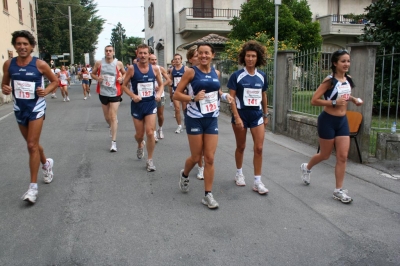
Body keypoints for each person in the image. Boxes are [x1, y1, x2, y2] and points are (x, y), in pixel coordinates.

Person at [1, 30, 58, 203]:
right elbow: (4, 83)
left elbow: (55, 81)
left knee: (32, 144)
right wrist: (5, 89)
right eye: (19, 44)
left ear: (32, 46)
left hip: (36, 107)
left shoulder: (40, 64)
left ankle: (32, 188)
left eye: (25, 44)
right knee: (32, 144)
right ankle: (46, 163)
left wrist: (46, 90)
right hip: (19, 108)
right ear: (15, 46)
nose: (22, 47)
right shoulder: (9, 64)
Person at [173, 43, 231, 209]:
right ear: (197, 55)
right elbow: (177, 94)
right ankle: (184, 174)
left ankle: (208, 195)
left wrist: (225, 96)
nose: (203, 56)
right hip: (195, 118)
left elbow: (215, 91)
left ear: (212, 55)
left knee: (210, 158)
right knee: (197, 157)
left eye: (207, 53)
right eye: (200, 53)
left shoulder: (216, 72)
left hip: (211, 118)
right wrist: (192, 99)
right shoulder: (191, 72)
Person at [300, 49, 363, 203]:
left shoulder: (348, 79)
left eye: (348, 61)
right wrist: (333, 102)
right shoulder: (329, 80)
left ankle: (338, 190)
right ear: (335, 63)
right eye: (343, 61)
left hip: (342, 122)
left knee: (342, 156)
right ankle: (307, 167)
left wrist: (353, 100)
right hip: (327, 120)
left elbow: (344, 96)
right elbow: (314, 100)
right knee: (325, 155)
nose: (346, 64)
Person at [228, 40, 269, 195]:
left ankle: (257, 181)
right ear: (243, 58)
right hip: (241, 115)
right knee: (241, 146)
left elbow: (263, 96)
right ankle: (239, 173)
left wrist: (265, 114)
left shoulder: (262, 76)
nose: (250, 59)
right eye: (248, 56)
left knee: (259, 148)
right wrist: (236, 117)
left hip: (256, 115)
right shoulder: (237, 76)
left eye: (253, 56)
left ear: (258, 58)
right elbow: (231, 98)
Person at [122, 44, 164, 171]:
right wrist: (133, 95)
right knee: (139, 135)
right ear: (137, 54)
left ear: (149, 54)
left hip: (150, 103)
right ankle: (140, 144)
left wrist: (158, 94)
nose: (143, 55)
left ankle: (150, 160)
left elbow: (161, 84)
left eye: (145, 53)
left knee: (150, 132)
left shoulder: (155, 69)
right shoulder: (132, 69)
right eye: (140, 53)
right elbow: (124, 85)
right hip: (137, 105)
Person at [91, 45, 126, 152]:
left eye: (110, 51)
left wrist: (121, 78)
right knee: (107, 118)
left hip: (115, 92)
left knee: (113, 116)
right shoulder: (99, 63)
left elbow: (125, 73)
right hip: (103, 92)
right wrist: (97, 78)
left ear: (113, 52)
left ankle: (113, 142)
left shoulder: (118, 63)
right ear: (104, 52)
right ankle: (112, 126)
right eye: (106, 51)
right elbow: (92, 73)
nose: (108, 52)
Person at [149, 54, 171, 141]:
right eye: (152, 60)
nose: (154, 61)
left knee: (160, 115)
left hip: (160, 95)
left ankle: (160, 129)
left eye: (155, 59)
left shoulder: (160, 68)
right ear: (148, 60)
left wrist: (161, 85)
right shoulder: (146, 69)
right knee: (152, 115)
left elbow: (169, 80)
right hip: (150, 96)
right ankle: (154, 134)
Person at [170, 54, 188, 133]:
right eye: (175, 59)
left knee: (184, 109)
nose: (177, 60)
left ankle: (186, 122)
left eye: (178, 59)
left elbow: (189, 80)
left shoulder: (185, 68)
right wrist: (171, 93)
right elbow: (170, 81)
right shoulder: (172, 70)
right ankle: (179, 126)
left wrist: (186, 89)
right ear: (173, 61)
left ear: (181, 60)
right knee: (177, 109)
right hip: (176, 92)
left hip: (183, 92)